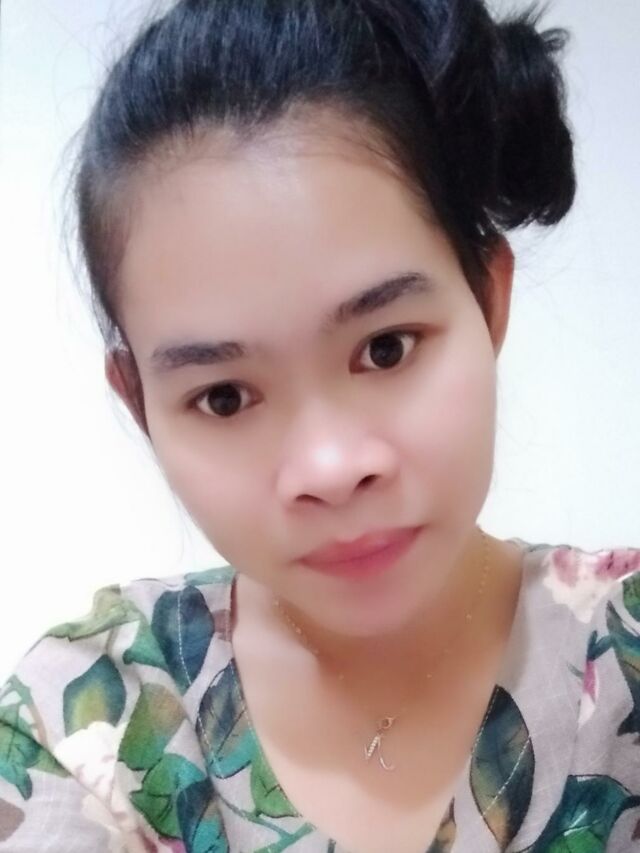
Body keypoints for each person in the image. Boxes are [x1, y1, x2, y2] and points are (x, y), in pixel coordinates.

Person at [1, 0, 639, 850]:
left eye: (385, 347)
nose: (331, 467)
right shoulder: (93, 726)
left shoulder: (625, 659)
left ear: (490, 301)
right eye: (224, 397)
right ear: (140, 403)